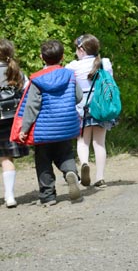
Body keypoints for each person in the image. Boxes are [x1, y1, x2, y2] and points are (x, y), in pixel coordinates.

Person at [16, 40, 83, 205]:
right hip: (66, 125)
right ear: (62, 57)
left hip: (43, 129)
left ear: (41, 57)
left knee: (43, 160)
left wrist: (24, 128)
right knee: (65, 153)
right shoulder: (69, 75)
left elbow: (32, 106)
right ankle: (70, 172)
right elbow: (78, 96)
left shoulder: (37, 79)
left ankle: (48, 196)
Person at [69, 34, 116, 189]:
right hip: (101, 108)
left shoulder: (73, 66)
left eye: (76, 48)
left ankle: (84, 164)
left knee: (82, 142)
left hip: (81, 109)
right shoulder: (105, 63)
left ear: (81, 49)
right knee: (99, 143)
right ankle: (100, 177)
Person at [0, 39, 28, 208]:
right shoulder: (17, 72)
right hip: (11, 119)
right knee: (6, 158)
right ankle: (9, 196)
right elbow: (27, 95)